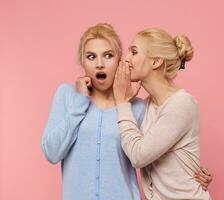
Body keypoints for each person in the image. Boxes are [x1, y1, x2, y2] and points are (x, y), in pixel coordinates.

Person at [42, 23, 212, 200]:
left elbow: (147, 154)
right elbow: (52, 153)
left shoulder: (139, 107)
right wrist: (80, 102)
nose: (100, 64)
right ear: (82, 62)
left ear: (118, 60)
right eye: (91, 56)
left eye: (108, 55)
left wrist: (193, 175)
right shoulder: (68, 95)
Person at [114, 28, 212, 199]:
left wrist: (122, 103)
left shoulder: (182, 104)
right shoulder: (148, 106)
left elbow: (138, 156)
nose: (127, 58)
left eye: (134, 52)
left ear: (156, 61)